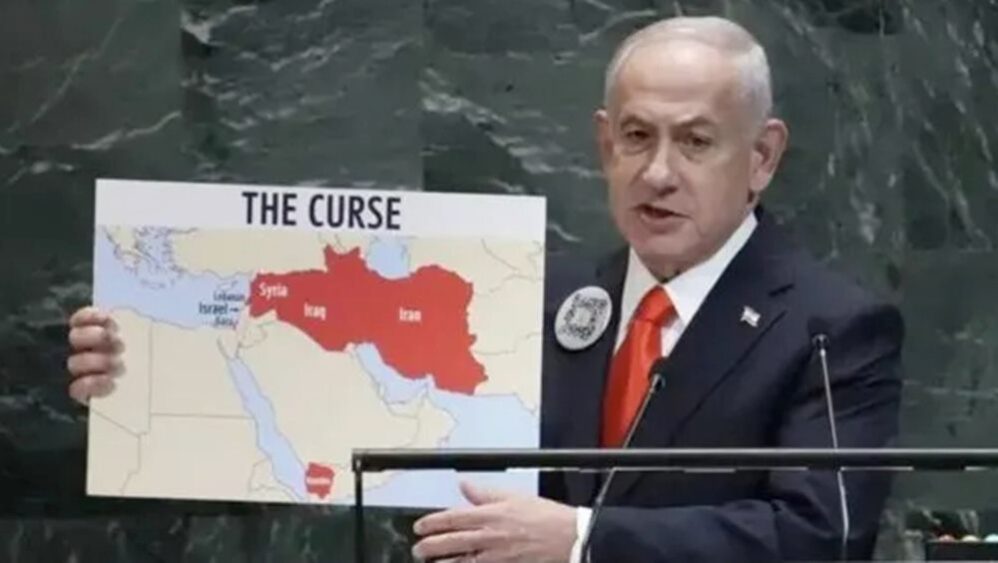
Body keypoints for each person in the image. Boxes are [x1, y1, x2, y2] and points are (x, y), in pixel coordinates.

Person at [66, 15, 904, 563]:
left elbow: (821, 534)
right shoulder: (525, 296)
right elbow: (329, 398)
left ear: (761, 156)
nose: (658, 172)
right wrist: (149, 363)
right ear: (603, 144)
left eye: (695, 142)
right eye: (637, 136)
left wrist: (581, 538)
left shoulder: (832, 326)